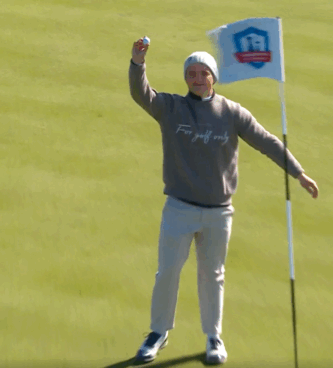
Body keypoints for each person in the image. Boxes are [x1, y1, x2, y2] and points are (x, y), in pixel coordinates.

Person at [128, 37, 319, 365]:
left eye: (204, 73)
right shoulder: (171, 108)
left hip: (219, 213)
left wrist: (298, 173)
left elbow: (266, 141)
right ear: (186, 78)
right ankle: (158, 332)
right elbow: (141, 93)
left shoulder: (232, 112)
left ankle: (213, 336)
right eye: (192, 74)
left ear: (213, 77)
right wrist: (137, 62)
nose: (198, 79)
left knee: (213, 275)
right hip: (179, 208)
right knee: (168, 272)